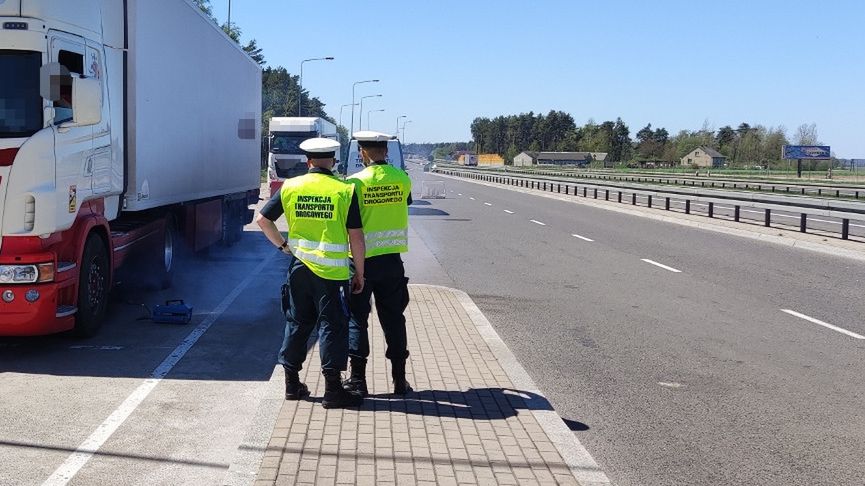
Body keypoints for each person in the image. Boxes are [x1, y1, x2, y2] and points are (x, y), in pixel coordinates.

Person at [256, 137, 366, 409]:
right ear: (333, 160)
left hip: (299, 269)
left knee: (297, 322)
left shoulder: (291, 186)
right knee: (332, 326)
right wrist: (359, 273)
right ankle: (332, 391)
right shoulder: (344, 190)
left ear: (308, 161)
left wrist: (283, 245)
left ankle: (292, 385)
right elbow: (356, 237)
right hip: (331, 273)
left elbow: (262, 220)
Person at [342, 131, 413, 396]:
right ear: (386, 152)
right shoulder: (402, 179)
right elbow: (405, 203)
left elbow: (351, 223)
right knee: (394, 319)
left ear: (362, 152)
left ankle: (358, 381)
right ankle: (399, 380)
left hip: (360, 262)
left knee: (357, 320)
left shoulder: (354, 183)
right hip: (392, 262)